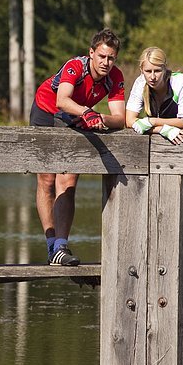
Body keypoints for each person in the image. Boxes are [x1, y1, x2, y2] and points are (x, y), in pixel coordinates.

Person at [30, 28, 126, 266]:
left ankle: (62, 246)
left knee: (69, 182)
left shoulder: (115, 77)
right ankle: (51, 244)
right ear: (91, 53)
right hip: (46, 110)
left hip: (75, 118)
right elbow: (62, 100)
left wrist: (100, 119)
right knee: (46, 180)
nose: (106, 62)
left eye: (111, 58)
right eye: (102, 56)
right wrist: (87, 112)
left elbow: (120, 117)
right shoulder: (75, 66)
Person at [126, 46, 183, 145]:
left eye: (157, 71)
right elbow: (129, 121)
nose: (153, 77)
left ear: (165, 68)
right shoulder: (140, 83)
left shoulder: (180, 81)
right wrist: (162, 129)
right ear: (141, 70)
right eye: (148, 71)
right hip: (162, 138)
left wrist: (152, 121)